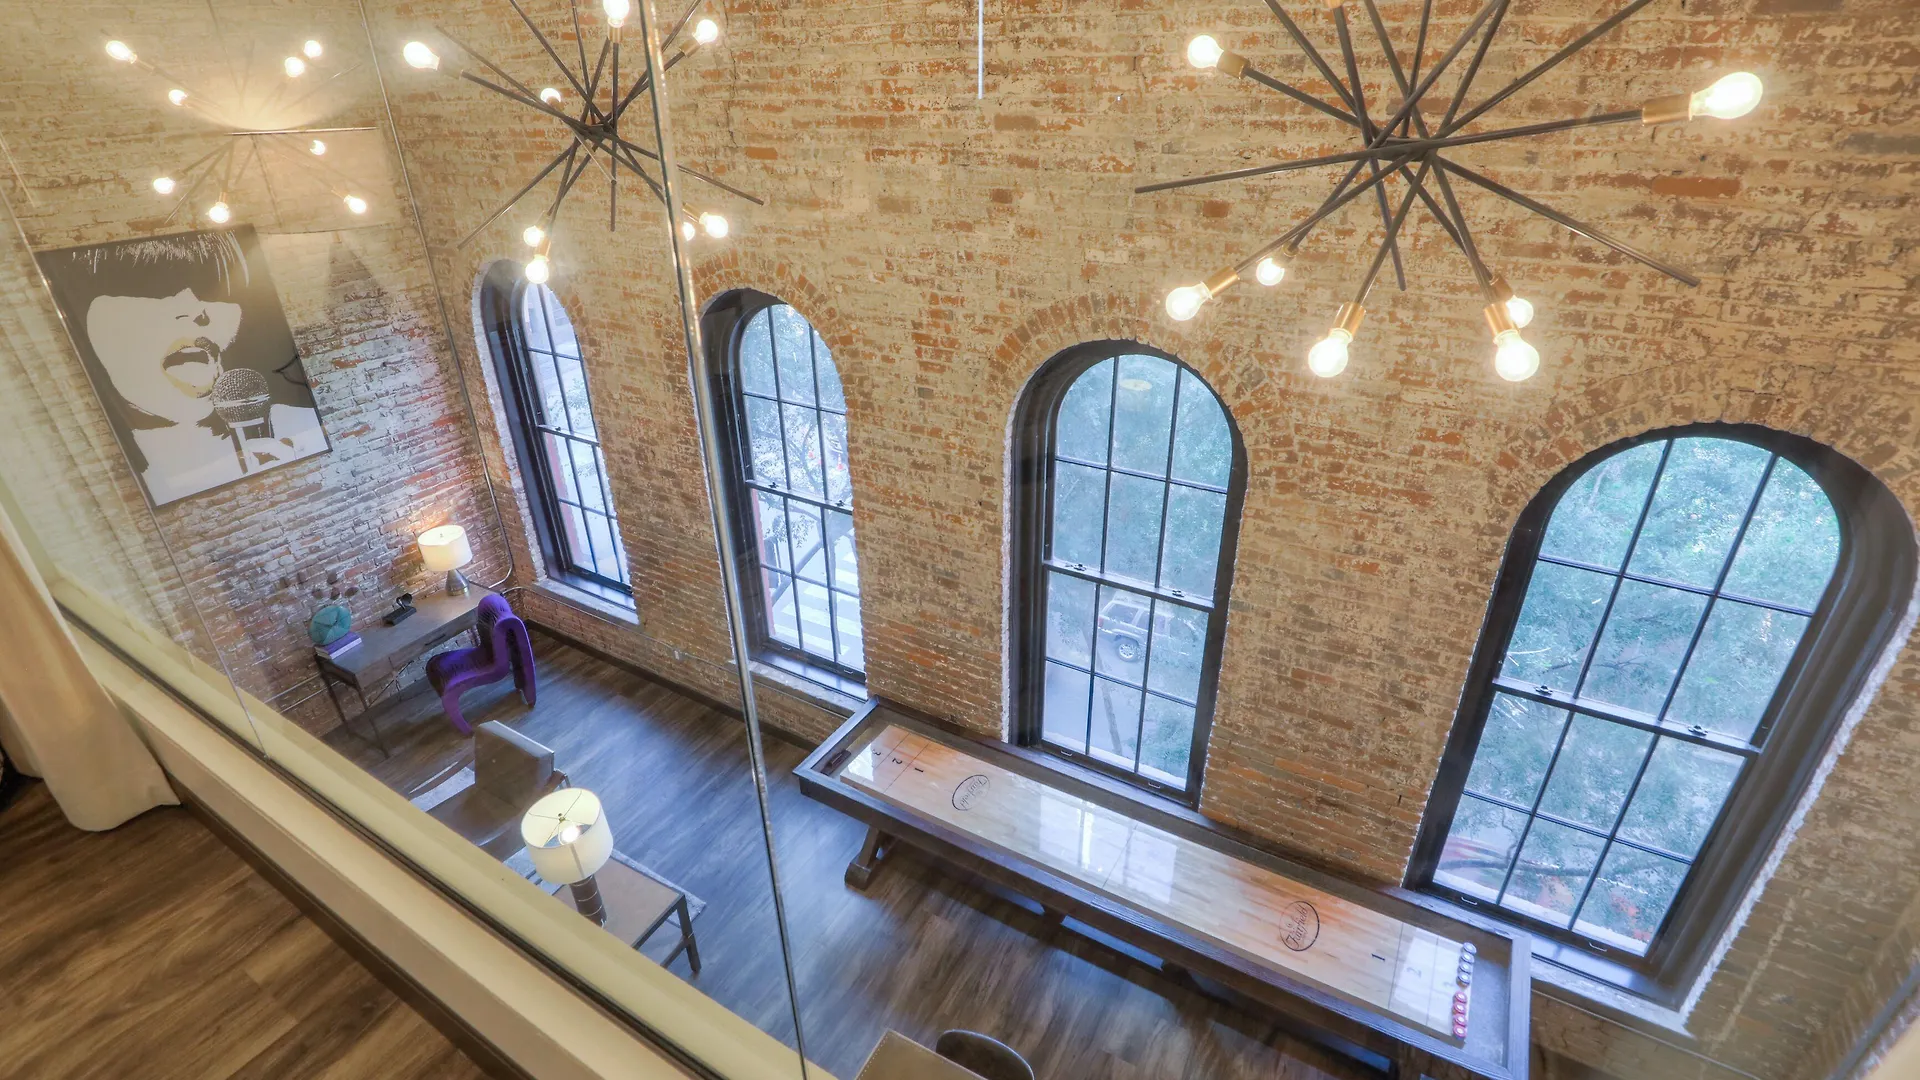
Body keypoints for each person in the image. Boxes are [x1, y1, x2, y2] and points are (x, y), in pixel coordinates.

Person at [39, 228, 327, 506]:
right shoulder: (108, 485)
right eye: (150, 289)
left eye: (208, 287)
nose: (194, 311)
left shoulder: (299, 427)